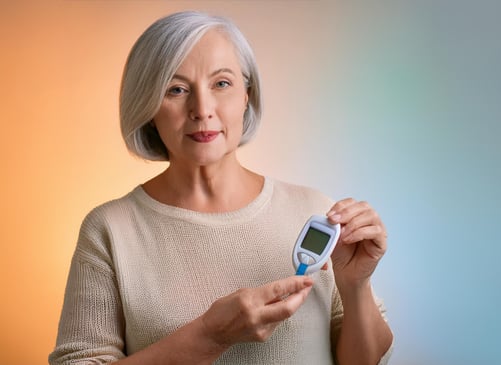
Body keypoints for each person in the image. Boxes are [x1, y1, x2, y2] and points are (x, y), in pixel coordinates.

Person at [49, 10, 393, 365]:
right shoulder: (110, 230)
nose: (202, 109)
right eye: (176, 89)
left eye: (222, 83)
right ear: (149, 106)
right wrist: (210, 336)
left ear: (247, 94)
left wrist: (356, 287)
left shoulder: (316, 212)